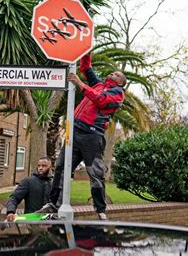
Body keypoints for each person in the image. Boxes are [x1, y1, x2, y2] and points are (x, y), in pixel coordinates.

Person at [36, 53, 126, 220]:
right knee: (62, 168)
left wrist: (79, 84)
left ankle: (100, 210)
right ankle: (54, 204)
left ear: (120, 82)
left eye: (116, 74)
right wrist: (86, 50)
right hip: (74, 133)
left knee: (95, 174)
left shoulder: (118, 93)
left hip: (91, 137)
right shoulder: (98, 84)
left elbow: (101, 101)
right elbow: (85, 67)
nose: (112, 73)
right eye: (112, 72)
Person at [6, 157, 53, 221]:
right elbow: (14, 198)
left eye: (44, 166)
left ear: (50, 167)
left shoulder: (54, 184)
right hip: (31, 222)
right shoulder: (28, 181)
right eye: (39, 166)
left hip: (51, 223)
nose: (40, 168)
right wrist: (10, 211)